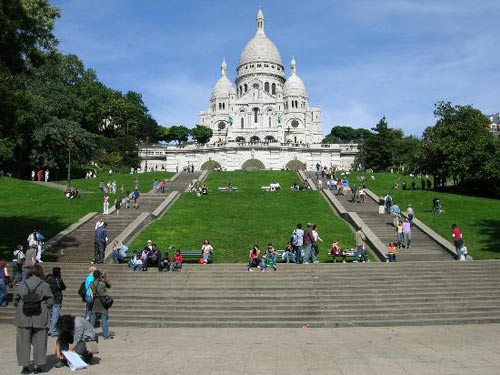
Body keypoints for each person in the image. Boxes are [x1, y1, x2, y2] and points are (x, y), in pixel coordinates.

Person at [14, 264, 54, 374]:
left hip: (23, 315)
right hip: (40, 315)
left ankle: (25, 366)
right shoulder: (45, 285)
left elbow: (15, 300)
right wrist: (44, 305)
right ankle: (37, 366)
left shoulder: (22, 284)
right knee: (40, 341)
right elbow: (51, 301)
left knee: (23, 342)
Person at [91, 270, 113, 339]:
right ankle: (106, 335)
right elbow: (109, 286)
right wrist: (104, 278)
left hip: (95, 300)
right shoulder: (103, 283)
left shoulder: (91, 284)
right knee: (104, 317)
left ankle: (90, 334)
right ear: (99, 275)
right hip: (103, 301)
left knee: (93, 317)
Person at [46, 267, 66, 337]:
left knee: (50, 314)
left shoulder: (49, 279)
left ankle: (49, 329)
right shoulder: (58, 280)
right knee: (55, 315)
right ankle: (53, 331)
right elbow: (63, 287)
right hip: (56, 298)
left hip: (49, 298)